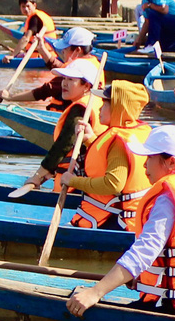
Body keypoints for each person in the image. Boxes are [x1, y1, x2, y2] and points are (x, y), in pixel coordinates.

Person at [65, 125, 175, 319]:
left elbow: (143, 253)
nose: (144, 165)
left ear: (171, 162)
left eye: (150, 158)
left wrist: (95, 292)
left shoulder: (169, 197)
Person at [55, 81, 152, 230]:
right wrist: (90, 140)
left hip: (113, 220)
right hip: (134, 217)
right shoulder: (141, 131)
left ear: (119, 109)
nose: (100, 108)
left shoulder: (119, 142)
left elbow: (113, 184)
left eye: (105, 104)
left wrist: (73, 181)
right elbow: (112, 158)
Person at [11, 57, 105, 197]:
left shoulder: (80, 109)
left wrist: (38, 175)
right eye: (64, 79)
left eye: (71, 80)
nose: (64, 84)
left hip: (75, 183)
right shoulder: (99, 103)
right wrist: (50, 171)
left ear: (86, 86)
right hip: (92, 179)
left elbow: (63, 145)